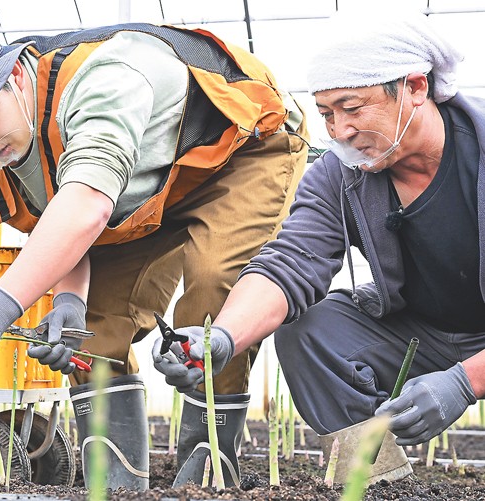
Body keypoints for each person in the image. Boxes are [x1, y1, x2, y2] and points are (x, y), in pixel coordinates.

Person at [0, 16, 309, 490]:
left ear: (12, 76)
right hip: (146, 193)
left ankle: (208, 477)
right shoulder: (1, 148)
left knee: (213, 294)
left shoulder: (108, 77)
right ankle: (116, 485)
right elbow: (60, 221)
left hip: (240, 150)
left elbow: (86, 206)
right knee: (93, 332)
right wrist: (68, 303)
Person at [153, 12, 484, 484]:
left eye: (353, 108)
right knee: (309, 329)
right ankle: (374, 482)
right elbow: (290, 262)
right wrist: (222, 337)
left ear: (415, 87)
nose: (339, 131)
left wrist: (466, 381)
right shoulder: (341, 175)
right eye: (327, 113)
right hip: (425, 334)